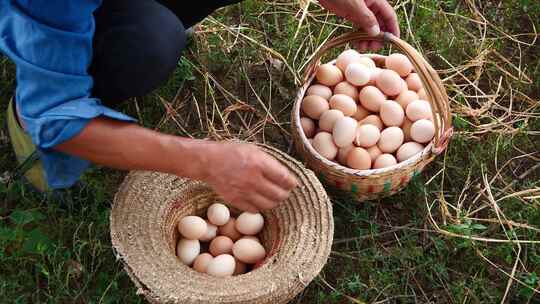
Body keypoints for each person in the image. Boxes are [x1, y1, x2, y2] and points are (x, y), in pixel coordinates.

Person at [1, 0, 399, 212]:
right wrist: (203, 161)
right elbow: (55, 115)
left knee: (155, 31)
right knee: (143, 48)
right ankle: (25, 119)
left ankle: (149, 18)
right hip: (50, 15)